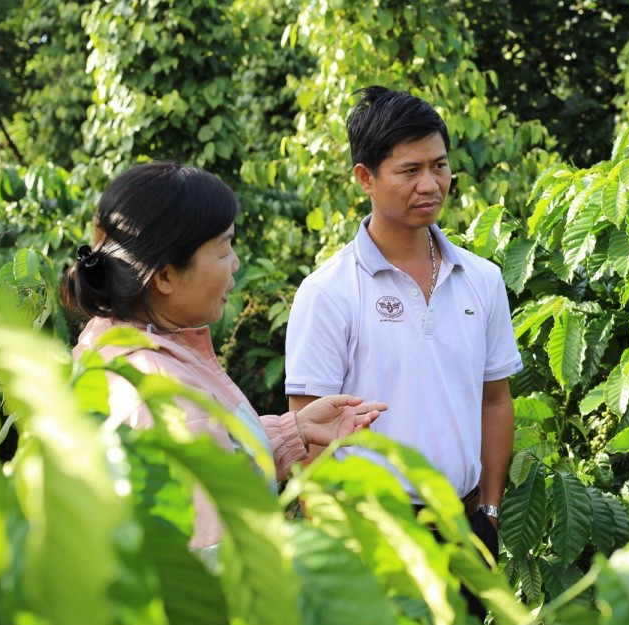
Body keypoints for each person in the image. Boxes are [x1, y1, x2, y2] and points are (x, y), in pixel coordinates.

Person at [62, 161, 387, 555]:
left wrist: (293, 432)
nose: (235, 264)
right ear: (164, 276)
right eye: (223, 250)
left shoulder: (115, 339)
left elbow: (217, 455)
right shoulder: (168, 396)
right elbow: (218, 568)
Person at [284, 87, 523, 574]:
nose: (431, 184)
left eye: (439, 165)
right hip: (370, 537)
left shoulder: (482, 279)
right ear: (365, 178)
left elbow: (495, 399)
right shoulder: (328, 291)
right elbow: (309, 434)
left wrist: (490, 514)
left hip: (465, 529)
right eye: (410, 171)